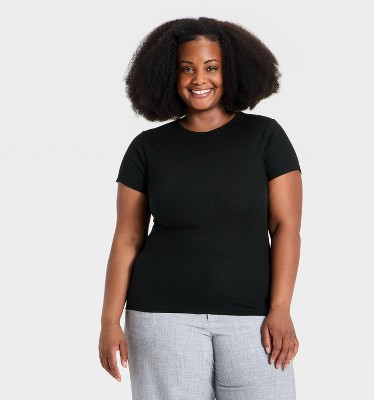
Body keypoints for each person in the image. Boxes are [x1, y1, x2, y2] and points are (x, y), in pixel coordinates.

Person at [99, 16, 302, 400]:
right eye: (187, 68)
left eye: (211, 67)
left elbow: (285, 228)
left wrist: (281, 309)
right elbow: (127, 238)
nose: (199, 79)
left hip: (253, 318)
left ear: (232, 71)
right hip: (161, 319)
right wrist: (109, 320)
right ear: (169, 75)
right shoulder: (147, 148)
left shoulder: (266, 136)